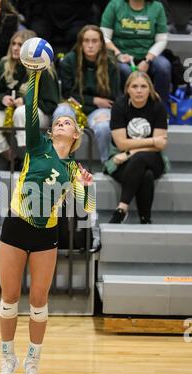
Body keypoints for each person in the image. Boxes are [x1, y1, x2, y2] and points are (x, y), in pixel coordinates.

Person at [0, 68, 96, 374]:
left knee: (38, 301)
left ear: (76, 136)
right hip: (15, 226)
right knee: (10, 297)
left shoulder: (74, 168)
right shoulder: (37, 145)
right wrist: (34, 73)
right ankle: (7, 357)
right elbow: (31, 104)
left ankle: (32, 363)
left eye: (66, 122)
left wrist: (87, 187)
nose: (59, 124)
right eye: (57, 122)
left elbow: (88, 209)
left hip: (45, 236)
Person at [104, 71, 170, 224]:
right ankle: (145, 219)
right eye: (134, 86)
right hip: (120, 160)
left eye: (143, 86)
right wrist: (152, 141)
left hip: (151, 158)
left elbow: (160, 145)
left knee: (140, 158)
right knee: (146, 175)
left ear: (150, 89)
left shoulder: (158, 107)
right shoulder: (119, 106)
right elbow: (121, 144)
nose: (139, 90)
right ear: (128, 89)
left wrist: (130, 152)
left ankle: (121, 209)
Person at [0, 29, 60, 167]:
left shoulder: (43, 68)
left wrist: (27, 102)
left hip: (40, 114)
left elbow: (51, 103)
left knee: (23, 111)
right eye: (13, 44)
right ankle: (10, 156)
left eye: (20, 45)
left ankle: (29, 157)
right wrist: (2, 98)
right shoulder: (4, 64)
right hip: (9, 110)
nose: (15, 48)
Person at [53, 25, 120, 164]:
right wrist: (94, 100)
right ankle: (61, 161)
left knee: (103, 127)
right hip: (74, 107)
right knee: (62, 112)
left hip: (98, 110)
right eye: (86, 41)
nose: (90, 45)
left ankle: (107, 164)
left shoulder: (110, 64)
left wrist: (89, 101)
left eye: (94, 41)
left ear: (101, 43)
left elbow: (111, 97)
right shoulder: (69, 61)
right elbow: (67, 93)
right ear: (80, 43)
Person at [100, 0, 172, 104]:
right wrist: (118, 54)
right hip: (121, 54)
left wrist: (147, 60)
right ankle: (125, 108)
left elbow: (161, 39)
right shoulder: (114, 4)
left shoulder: (157, 7)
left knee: (164, 67)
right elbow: (104, 36)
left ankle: (161, 109)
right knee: (126, 71)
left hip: (149, 54)